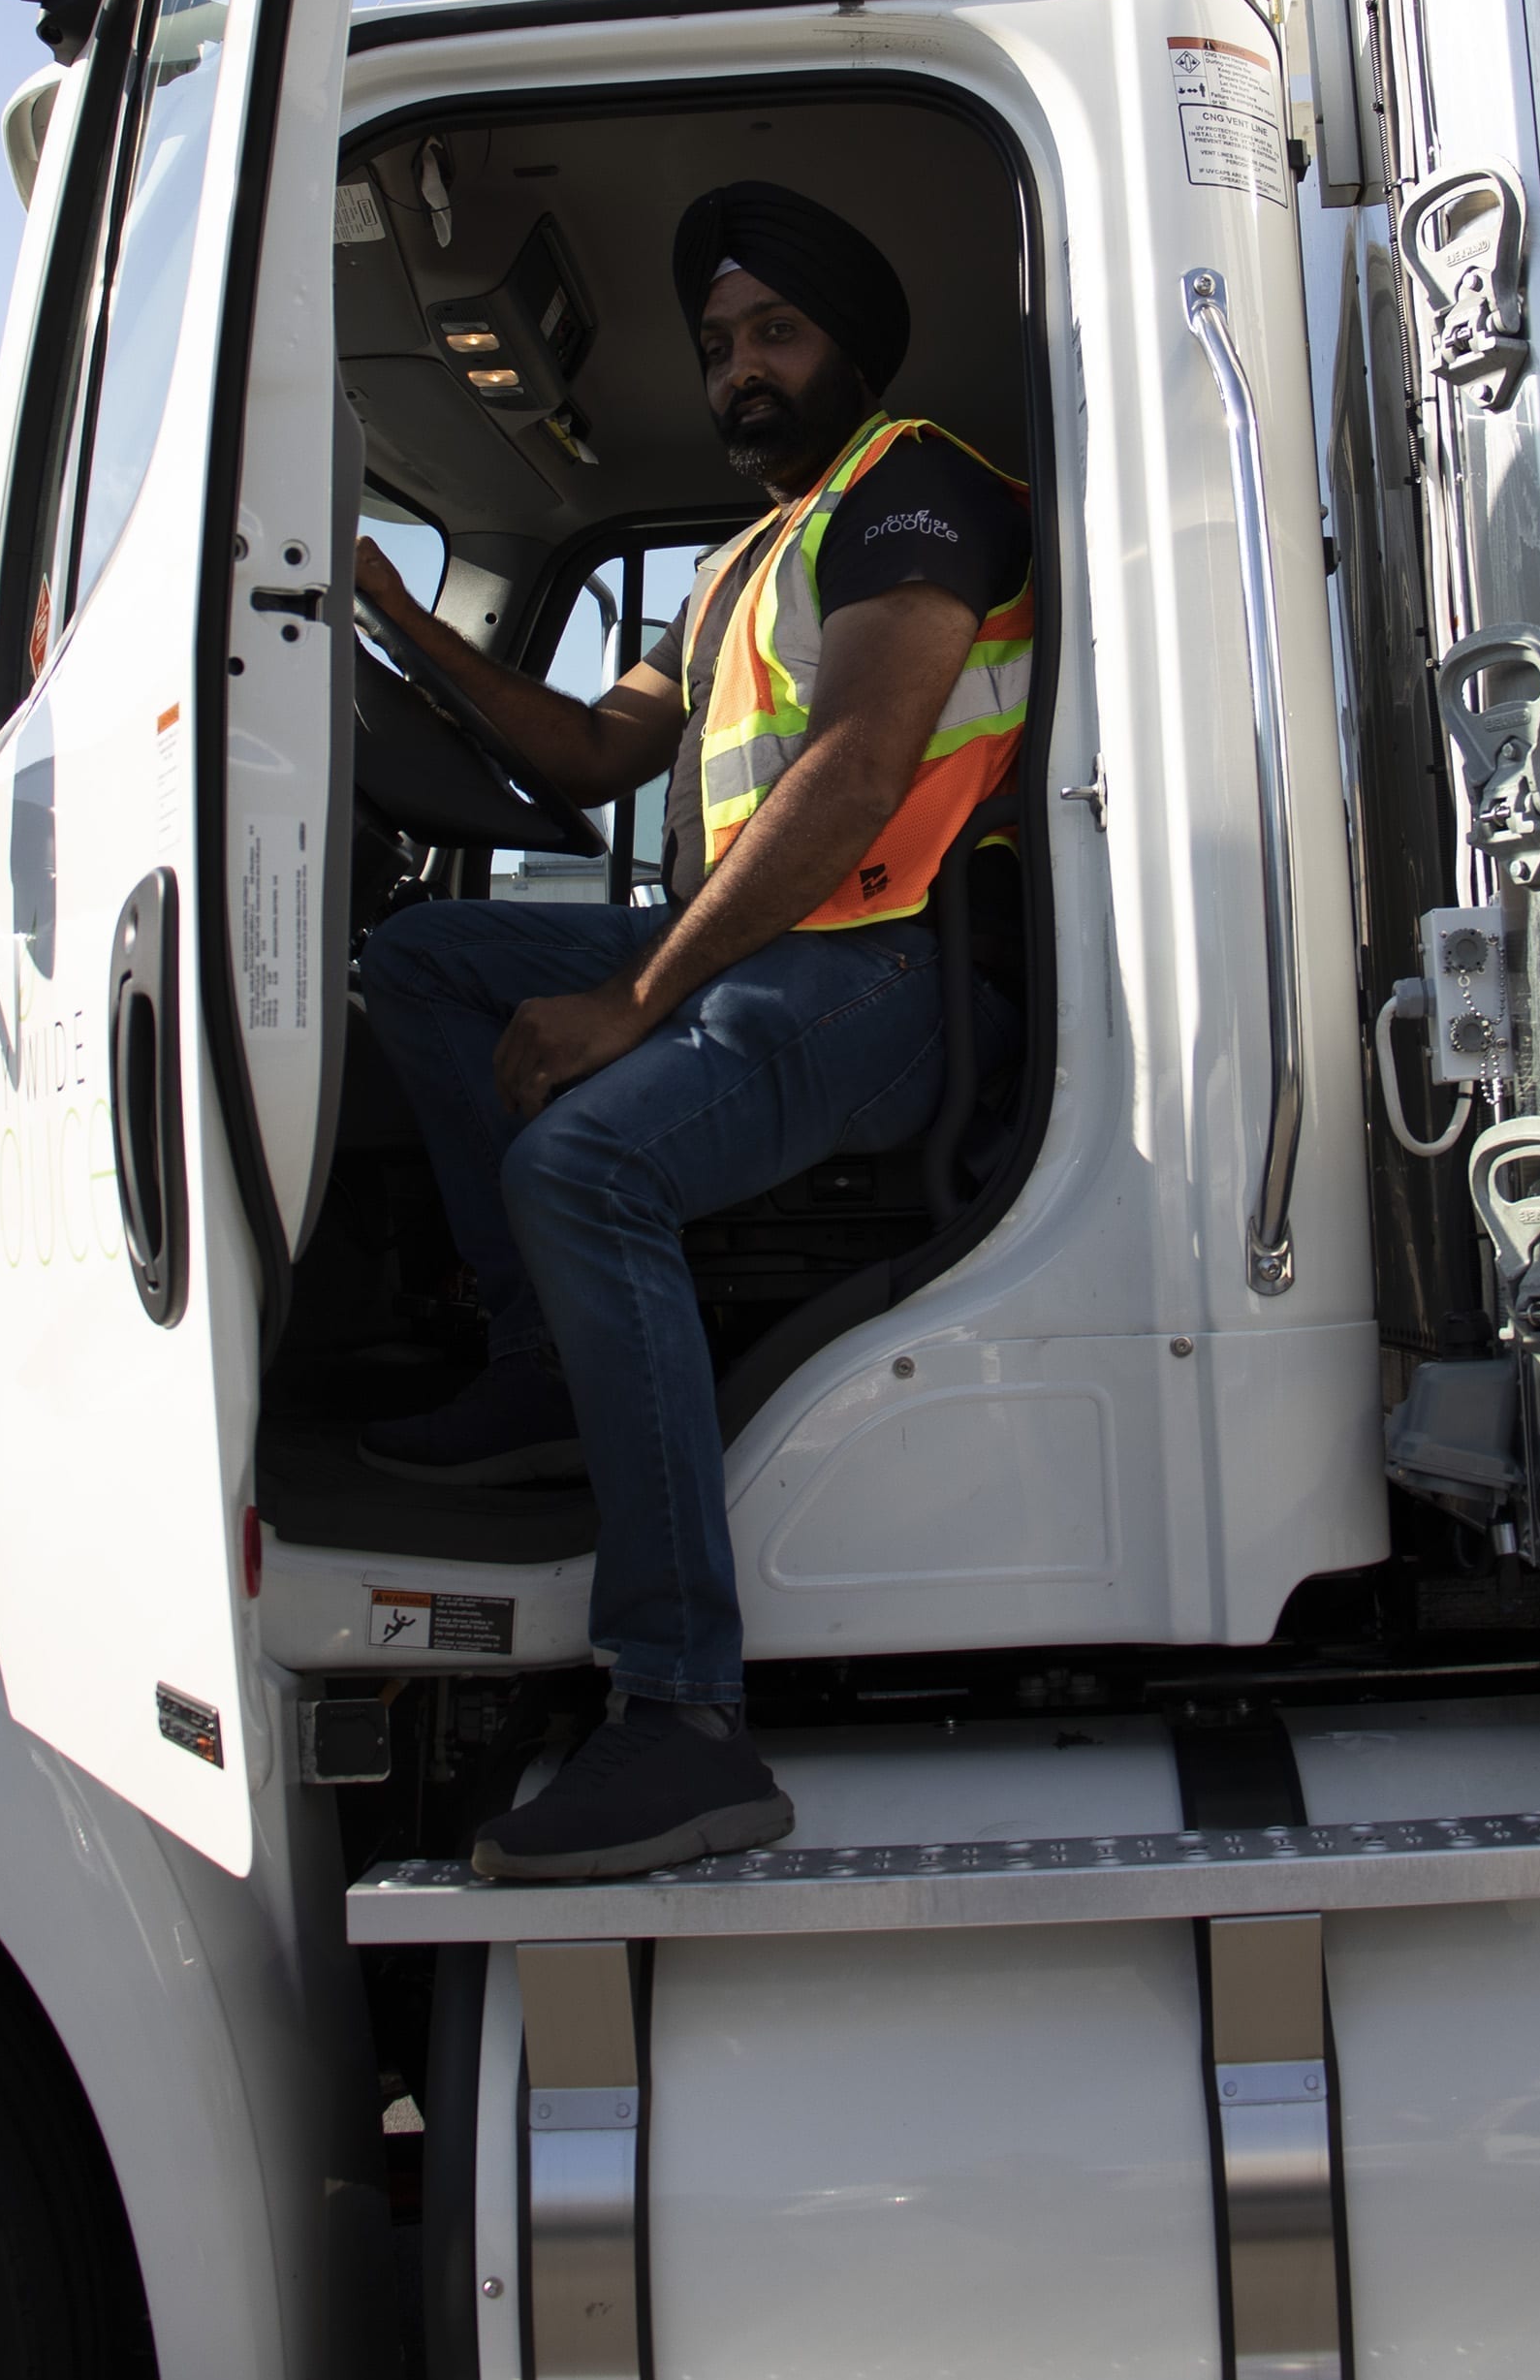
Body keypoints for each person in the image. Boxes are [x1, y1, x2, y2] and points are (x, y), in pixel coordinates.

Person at [350, 181, 1032, 1882]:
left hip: (901, 966)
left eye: (775, 335)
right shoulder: (737, 564)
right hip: (770, 946)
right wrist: (394, 616)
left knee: (581, 1163)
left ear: (849, 352)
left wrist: (632, 1000)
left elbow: (862, 769)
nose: (741, 370)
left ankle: (677, 1718)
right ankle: (541, 1369)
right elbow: (592, 756)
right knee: (430, 957)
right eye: (722, 342)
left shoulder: (916, 490)